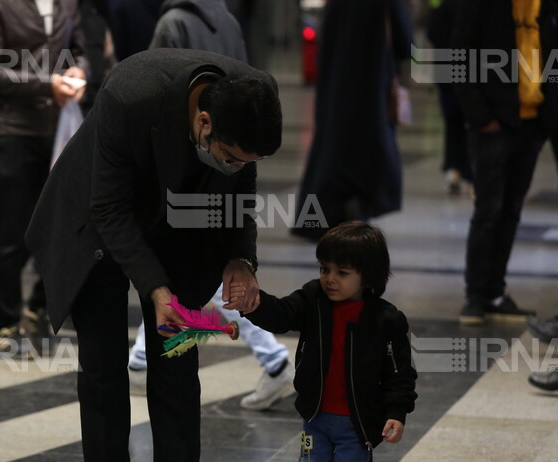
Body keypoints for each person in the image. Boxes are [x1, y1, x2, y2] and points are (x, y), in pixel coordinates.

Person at [26, 48, 282, 462]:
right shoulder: (131, 92)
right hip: (98, 219)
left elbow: (243, 184)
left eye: (245, 158)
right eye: (228, 154)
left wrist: (241, 256)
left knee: (177, 374)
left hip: (185, 231)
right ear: (203, 121)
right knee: (101, 375)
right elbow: (110, 207)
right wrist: (155, 287)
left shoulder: (250, 94)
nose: (235, 165)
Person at [126, 0, 294, 410]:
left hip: (191, 164)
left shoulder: (172, 22)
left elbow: (154, 93)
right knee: (203, 273)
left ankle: (273, 362)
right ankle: (140, 360)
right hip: (223, 161)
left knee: (204, 277)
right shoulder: (228, 20)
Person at [242, 222, 417, 462]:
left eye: (342, 272)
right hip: (316, 419)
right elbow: (282, 313)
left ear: (368, 276)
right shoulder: (312, 300)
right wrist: (254, 304)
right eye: (324, 269)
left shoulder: (387, 320)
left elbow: (401, 374)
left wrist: (396, 411)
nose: (330, 279)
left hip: (358, 426)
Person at [0, 0, 89, 352]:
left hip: (60, 128)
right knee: (13, 230)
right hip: (14, 129)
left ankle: (40, 307)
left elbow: (80, 49)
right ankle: (7, 321)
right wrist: (47, 83)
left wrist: (78, 72)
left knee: (62, 225)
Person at [453, 0, 557, 325]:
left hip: (533, 123)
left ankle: (495, 292)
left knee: (511, 210)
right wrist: (480, 116)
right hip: (493, 124)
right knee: (488, 211)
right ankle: (475, 296)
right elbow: (460, 54)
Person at [293, 0, 413, 240]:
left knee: (329, 150)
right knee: (369, 152)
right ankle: (358, 209)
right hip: (372, 86)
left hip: (336, 85)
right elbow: (405, 42)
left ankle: (315, 218)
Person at [427, 0, 474, 195]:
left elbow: (432, 34)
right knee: (470, 124)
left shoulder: (444, 8)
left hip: (446, 72)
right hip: (470, 74)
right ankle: (469, 174)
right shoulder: (472, 8)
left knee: (452, 123)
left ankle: (454, 169)